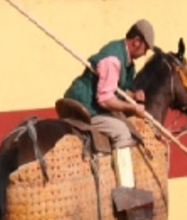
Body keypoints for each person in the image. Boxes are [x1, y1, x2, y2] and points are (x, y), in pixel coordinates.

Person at [64, 19, 155, 194]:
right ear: (137, 41)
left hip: (92, 103)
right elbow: (105, 99)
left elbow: (117, 89)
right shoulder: (113, 59)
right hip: (85, 107)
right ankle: (126, 192)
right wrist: (133, 109)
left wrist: (133, 96)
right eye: (146, 48)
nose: (145, 54)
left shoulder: (125, 60)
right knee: (122, 132)